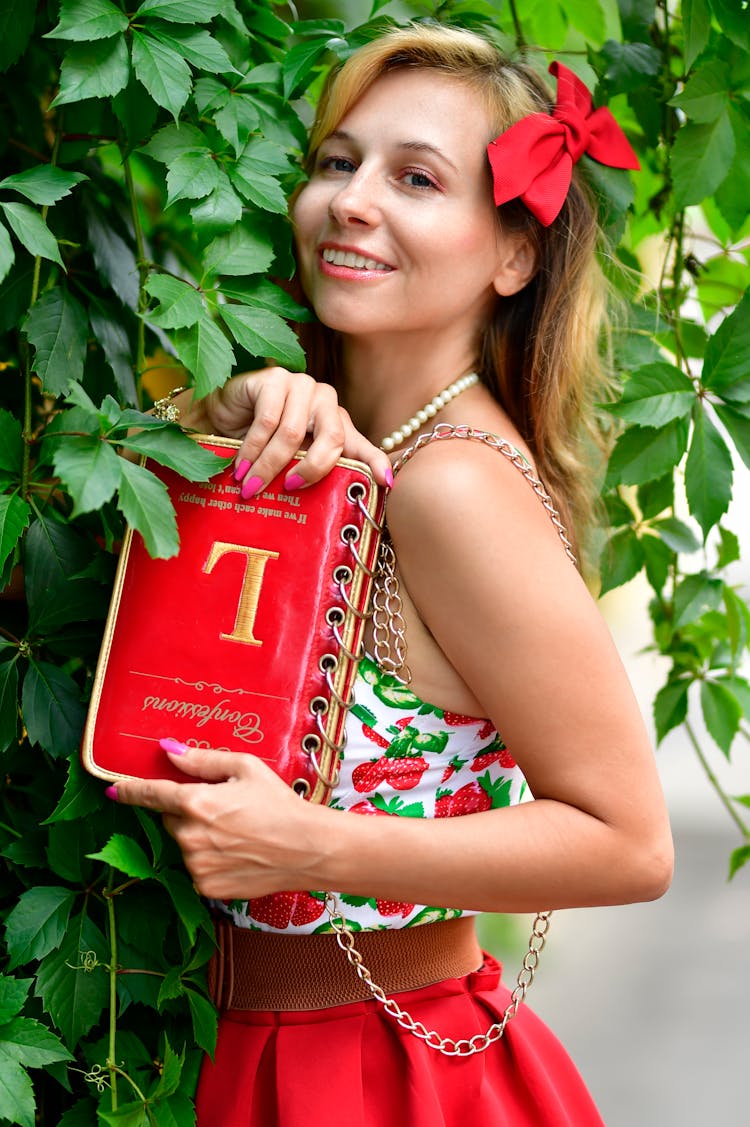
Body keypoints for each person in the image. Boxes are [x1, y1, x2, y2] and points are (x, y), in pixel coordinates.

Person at [108, 23, 674, 1126]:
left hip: (371, 1073)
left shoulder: (452, 485)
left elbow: (630, 839)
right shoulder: (320, 442)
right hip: (217, 1048)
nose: (353, 201)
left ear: (512, 252)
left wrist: (311, 843)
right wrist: (196, 421)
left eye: (416, 177)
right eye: (337, 162)